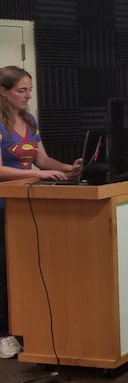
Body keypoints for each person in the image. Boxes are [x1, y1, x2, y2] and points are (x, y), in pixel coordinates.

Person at [0, 66, 82, 358]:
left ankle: (25, 323)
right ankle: (4, 333)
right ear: (3, 92)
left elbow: (43, 159)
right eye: (21, 90)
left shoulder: (30, 121)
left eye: (29, 89)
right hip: (3, 204)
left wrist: (67, 169)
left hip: (26, 203)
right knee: (3, 271)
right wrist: (37, 176)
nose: (28, 95)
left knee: (26, 268)